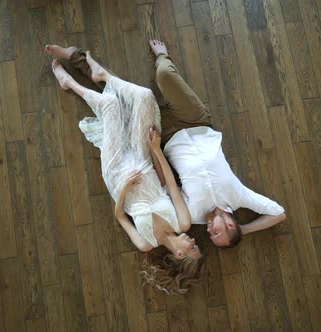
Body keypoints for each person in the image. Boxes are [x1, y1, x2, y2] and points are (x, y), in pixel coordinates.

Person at [48, 47, 204, 294]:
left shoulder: (145, 243)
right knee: (145, 97)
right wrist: (156, 148)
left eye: (193, 248)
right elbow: (172, 186)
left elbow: (120, 215)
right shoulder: (182, 222)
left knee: (110, 105)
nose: (194, 240)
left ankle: (69, 83)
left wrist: (122, 189)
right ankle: (104, 76)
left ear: (180, 253)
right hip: (143, 160)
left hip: (117, 173)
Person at [147, 39, 287, 248]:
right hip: (196, 120)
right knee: (165, 74)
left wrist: (154, 149)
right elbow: (278, 214)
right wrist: (244, 230)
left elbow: (168, 185)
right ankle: (162, 56)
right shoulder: (239, 197)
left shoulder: (194, 215)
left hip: (166, 136)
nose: (208, 232)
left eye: (211, 236)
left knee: (134, 100)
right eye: (217, 233)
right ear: (231, 225)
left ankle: (85, 65)